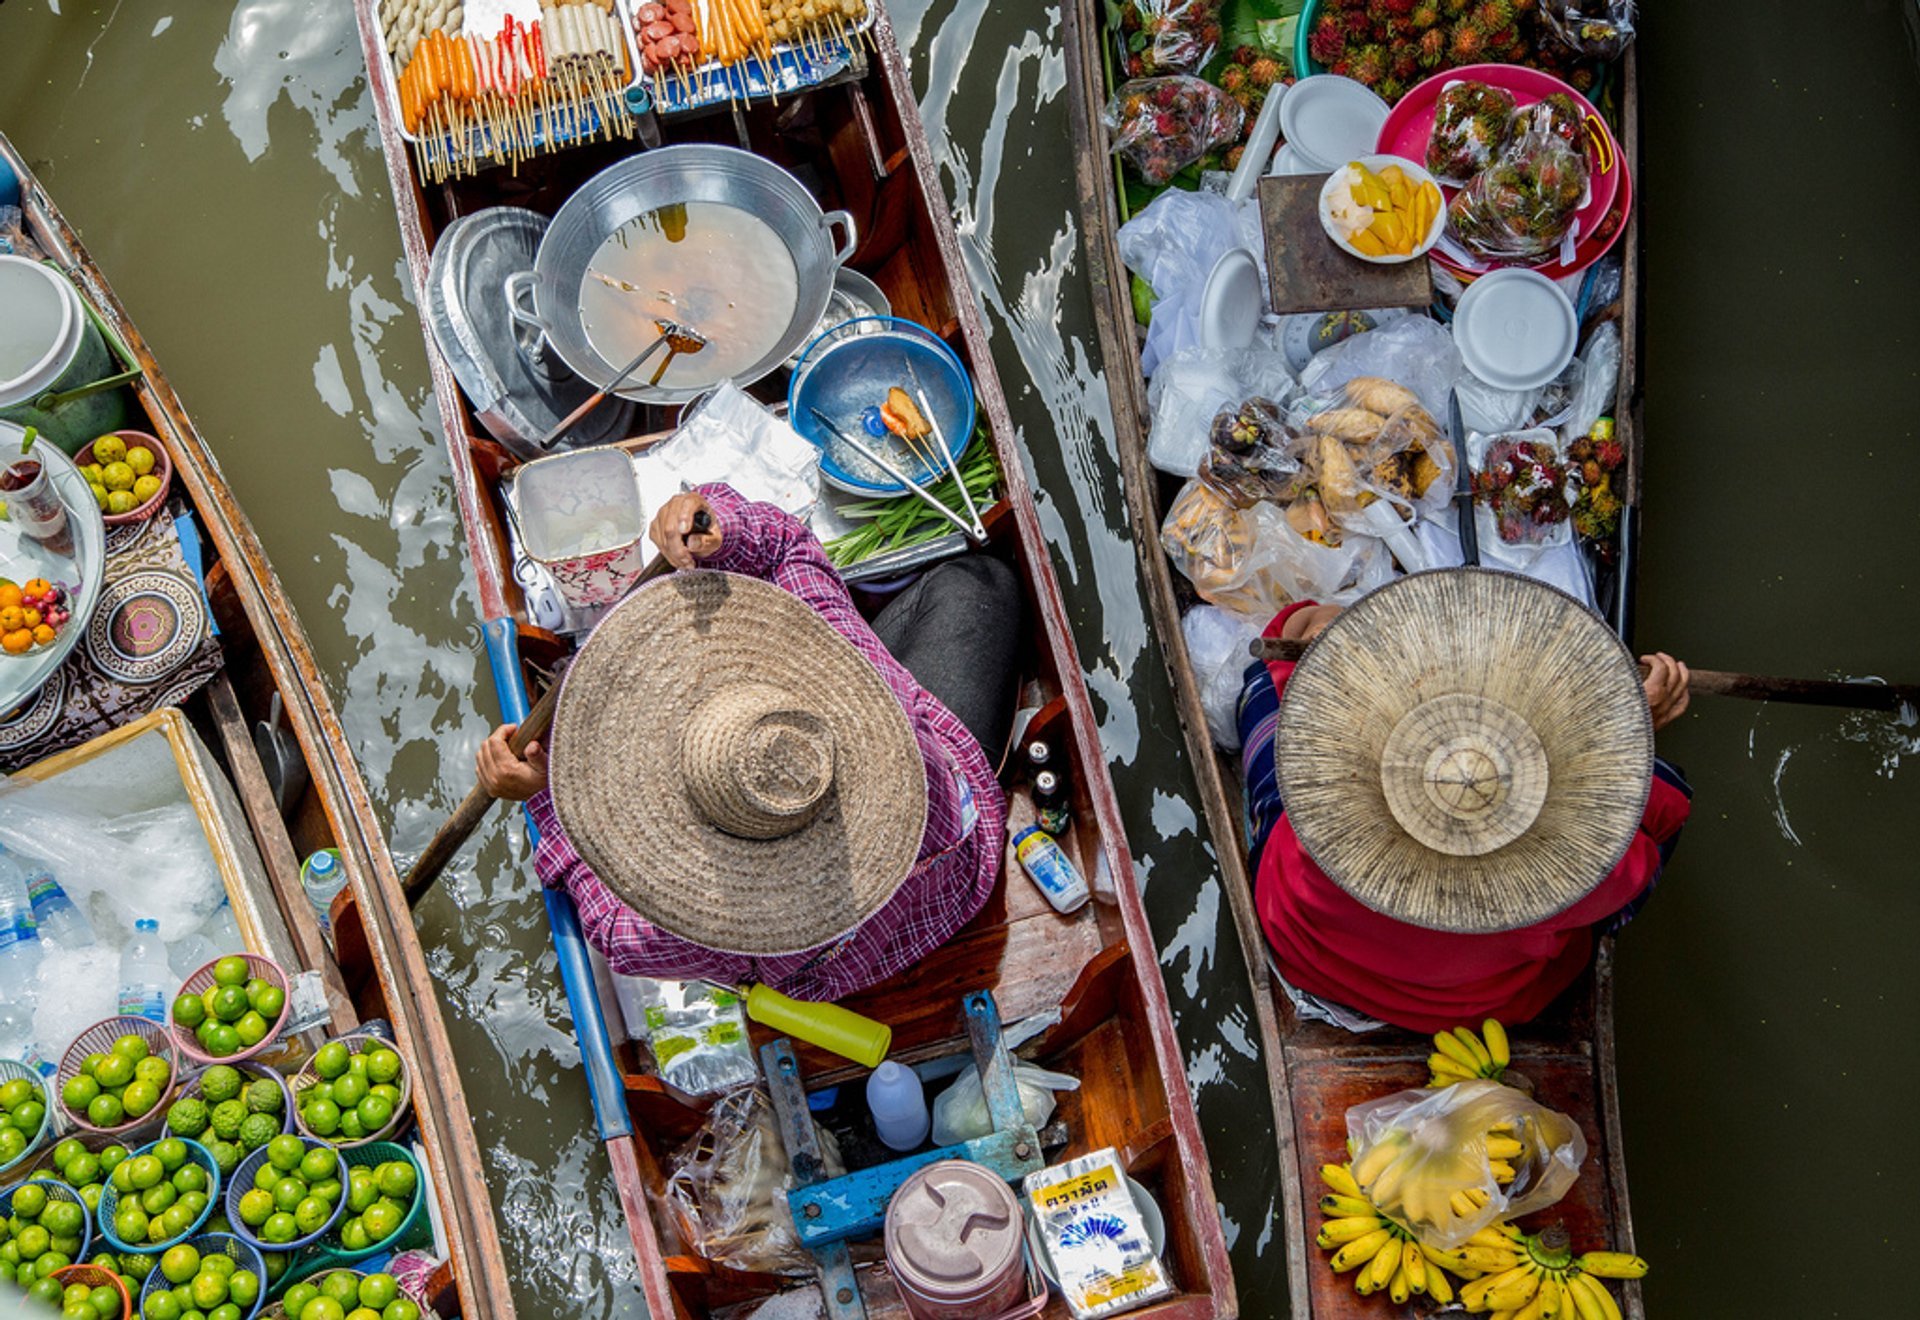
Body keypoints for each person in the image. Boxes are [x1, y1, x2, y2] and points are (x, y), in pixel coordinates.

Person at [476, 482, 1023, 1003]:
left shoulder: (701, 921)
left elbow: (613, 931)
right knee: (978, 580)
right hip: (961, 865)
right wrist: (720, 530)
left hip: (845, 962)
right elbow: (787, 547)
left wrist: (546, 794)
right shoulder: (846, 655)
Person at [1236, 572, 1693, 1032]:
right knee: (1665, 793)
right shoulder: (1582, 866)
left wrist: (1331, 631)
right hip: (1462, 1010)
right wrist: (1627, 735)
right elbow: (1659, 822)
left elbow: (1290, 629)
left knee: (1268, 679)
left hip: (1297, 943)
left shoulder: (1335, 755)